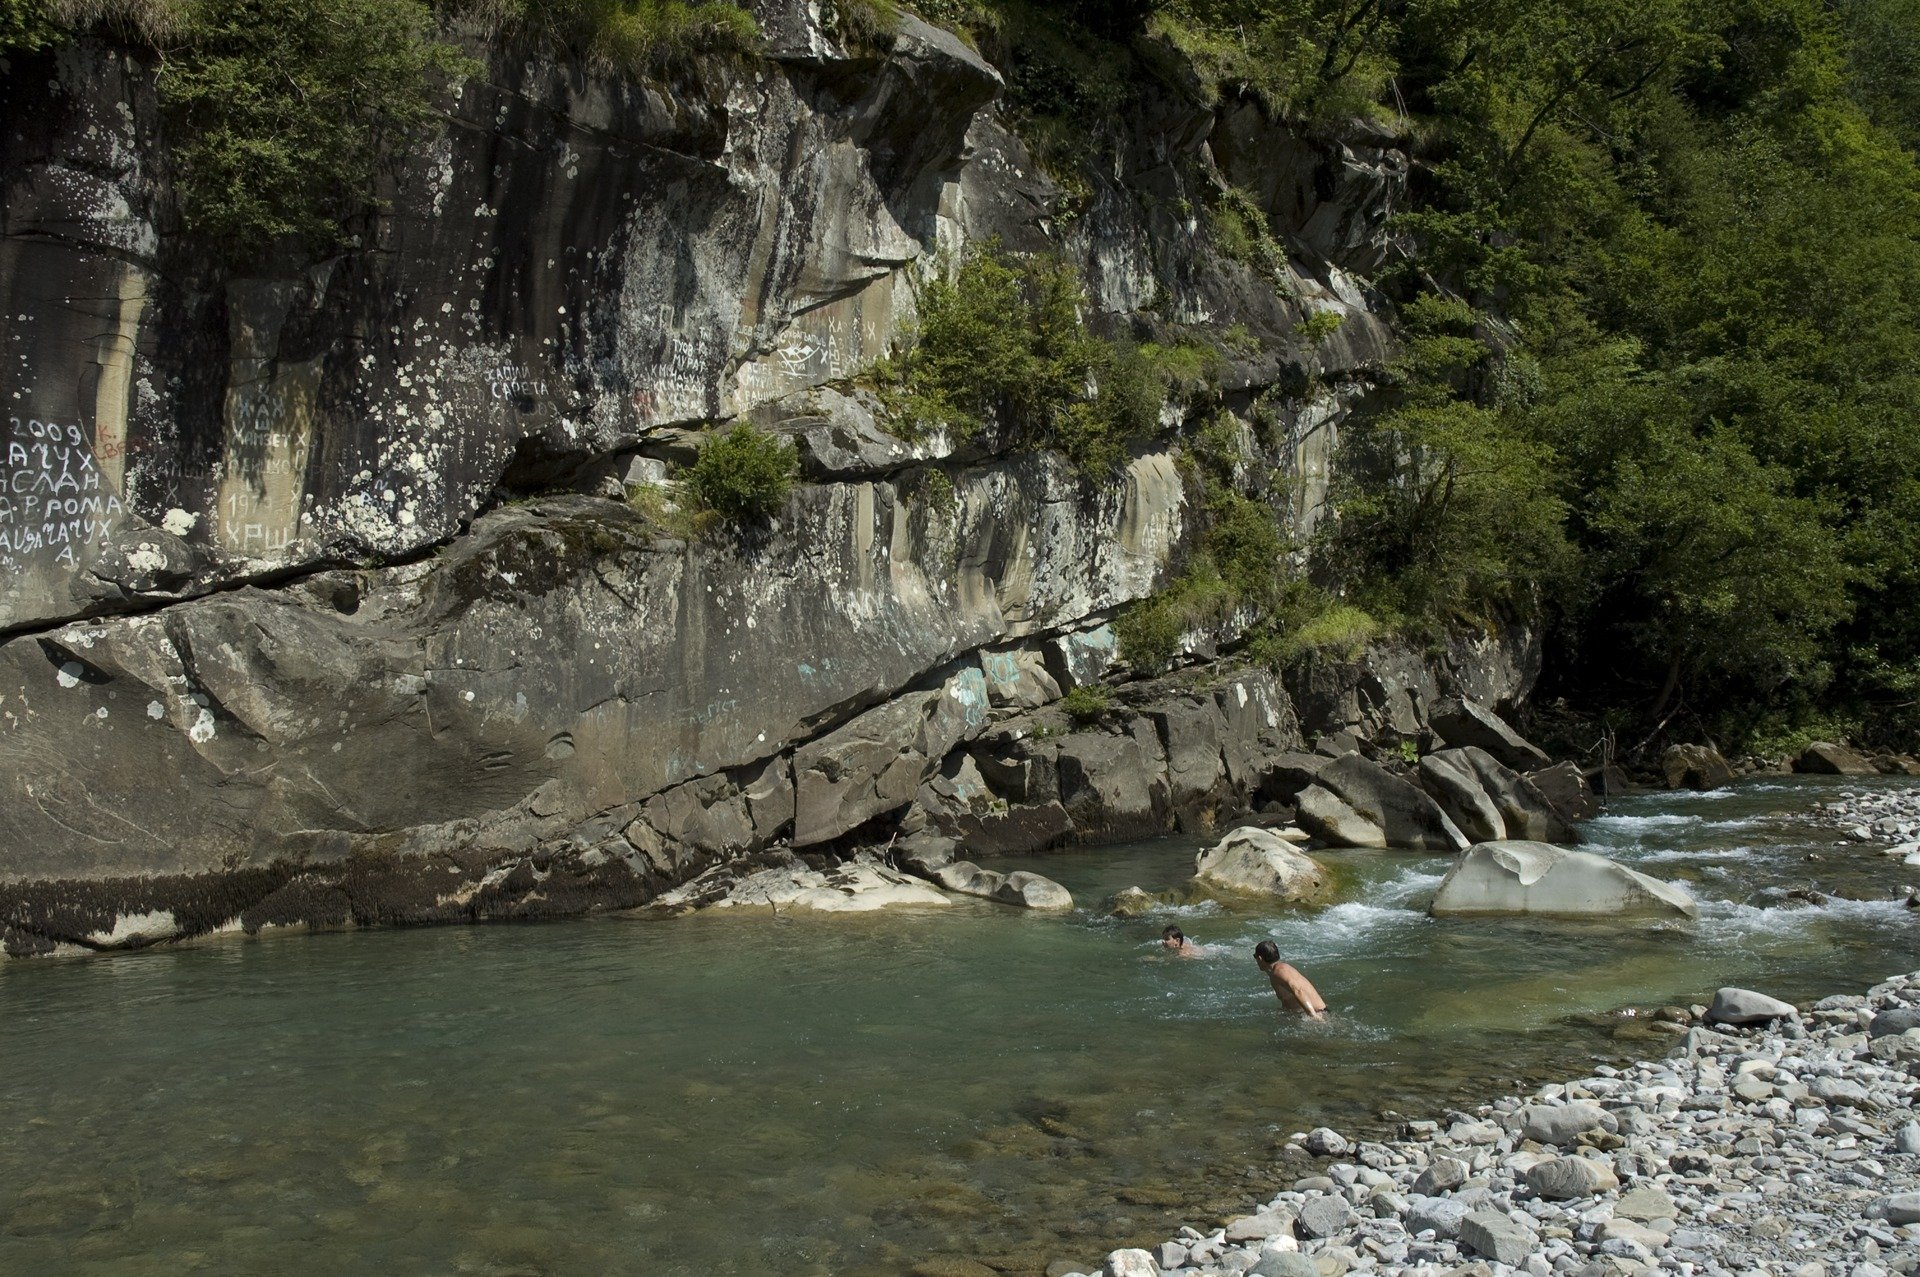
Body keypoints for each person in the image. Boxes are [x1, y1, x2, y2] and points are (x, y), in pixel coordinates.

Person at [1254, 939, 1327, 1019]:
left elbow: (1298, 990)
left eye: (1255, 956)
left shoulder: (1279, 972)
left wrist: (1313, 1016)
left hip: (1318, 1014)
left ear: (1260, 958)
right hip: (1309, 1013)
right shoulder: (1277, 971)